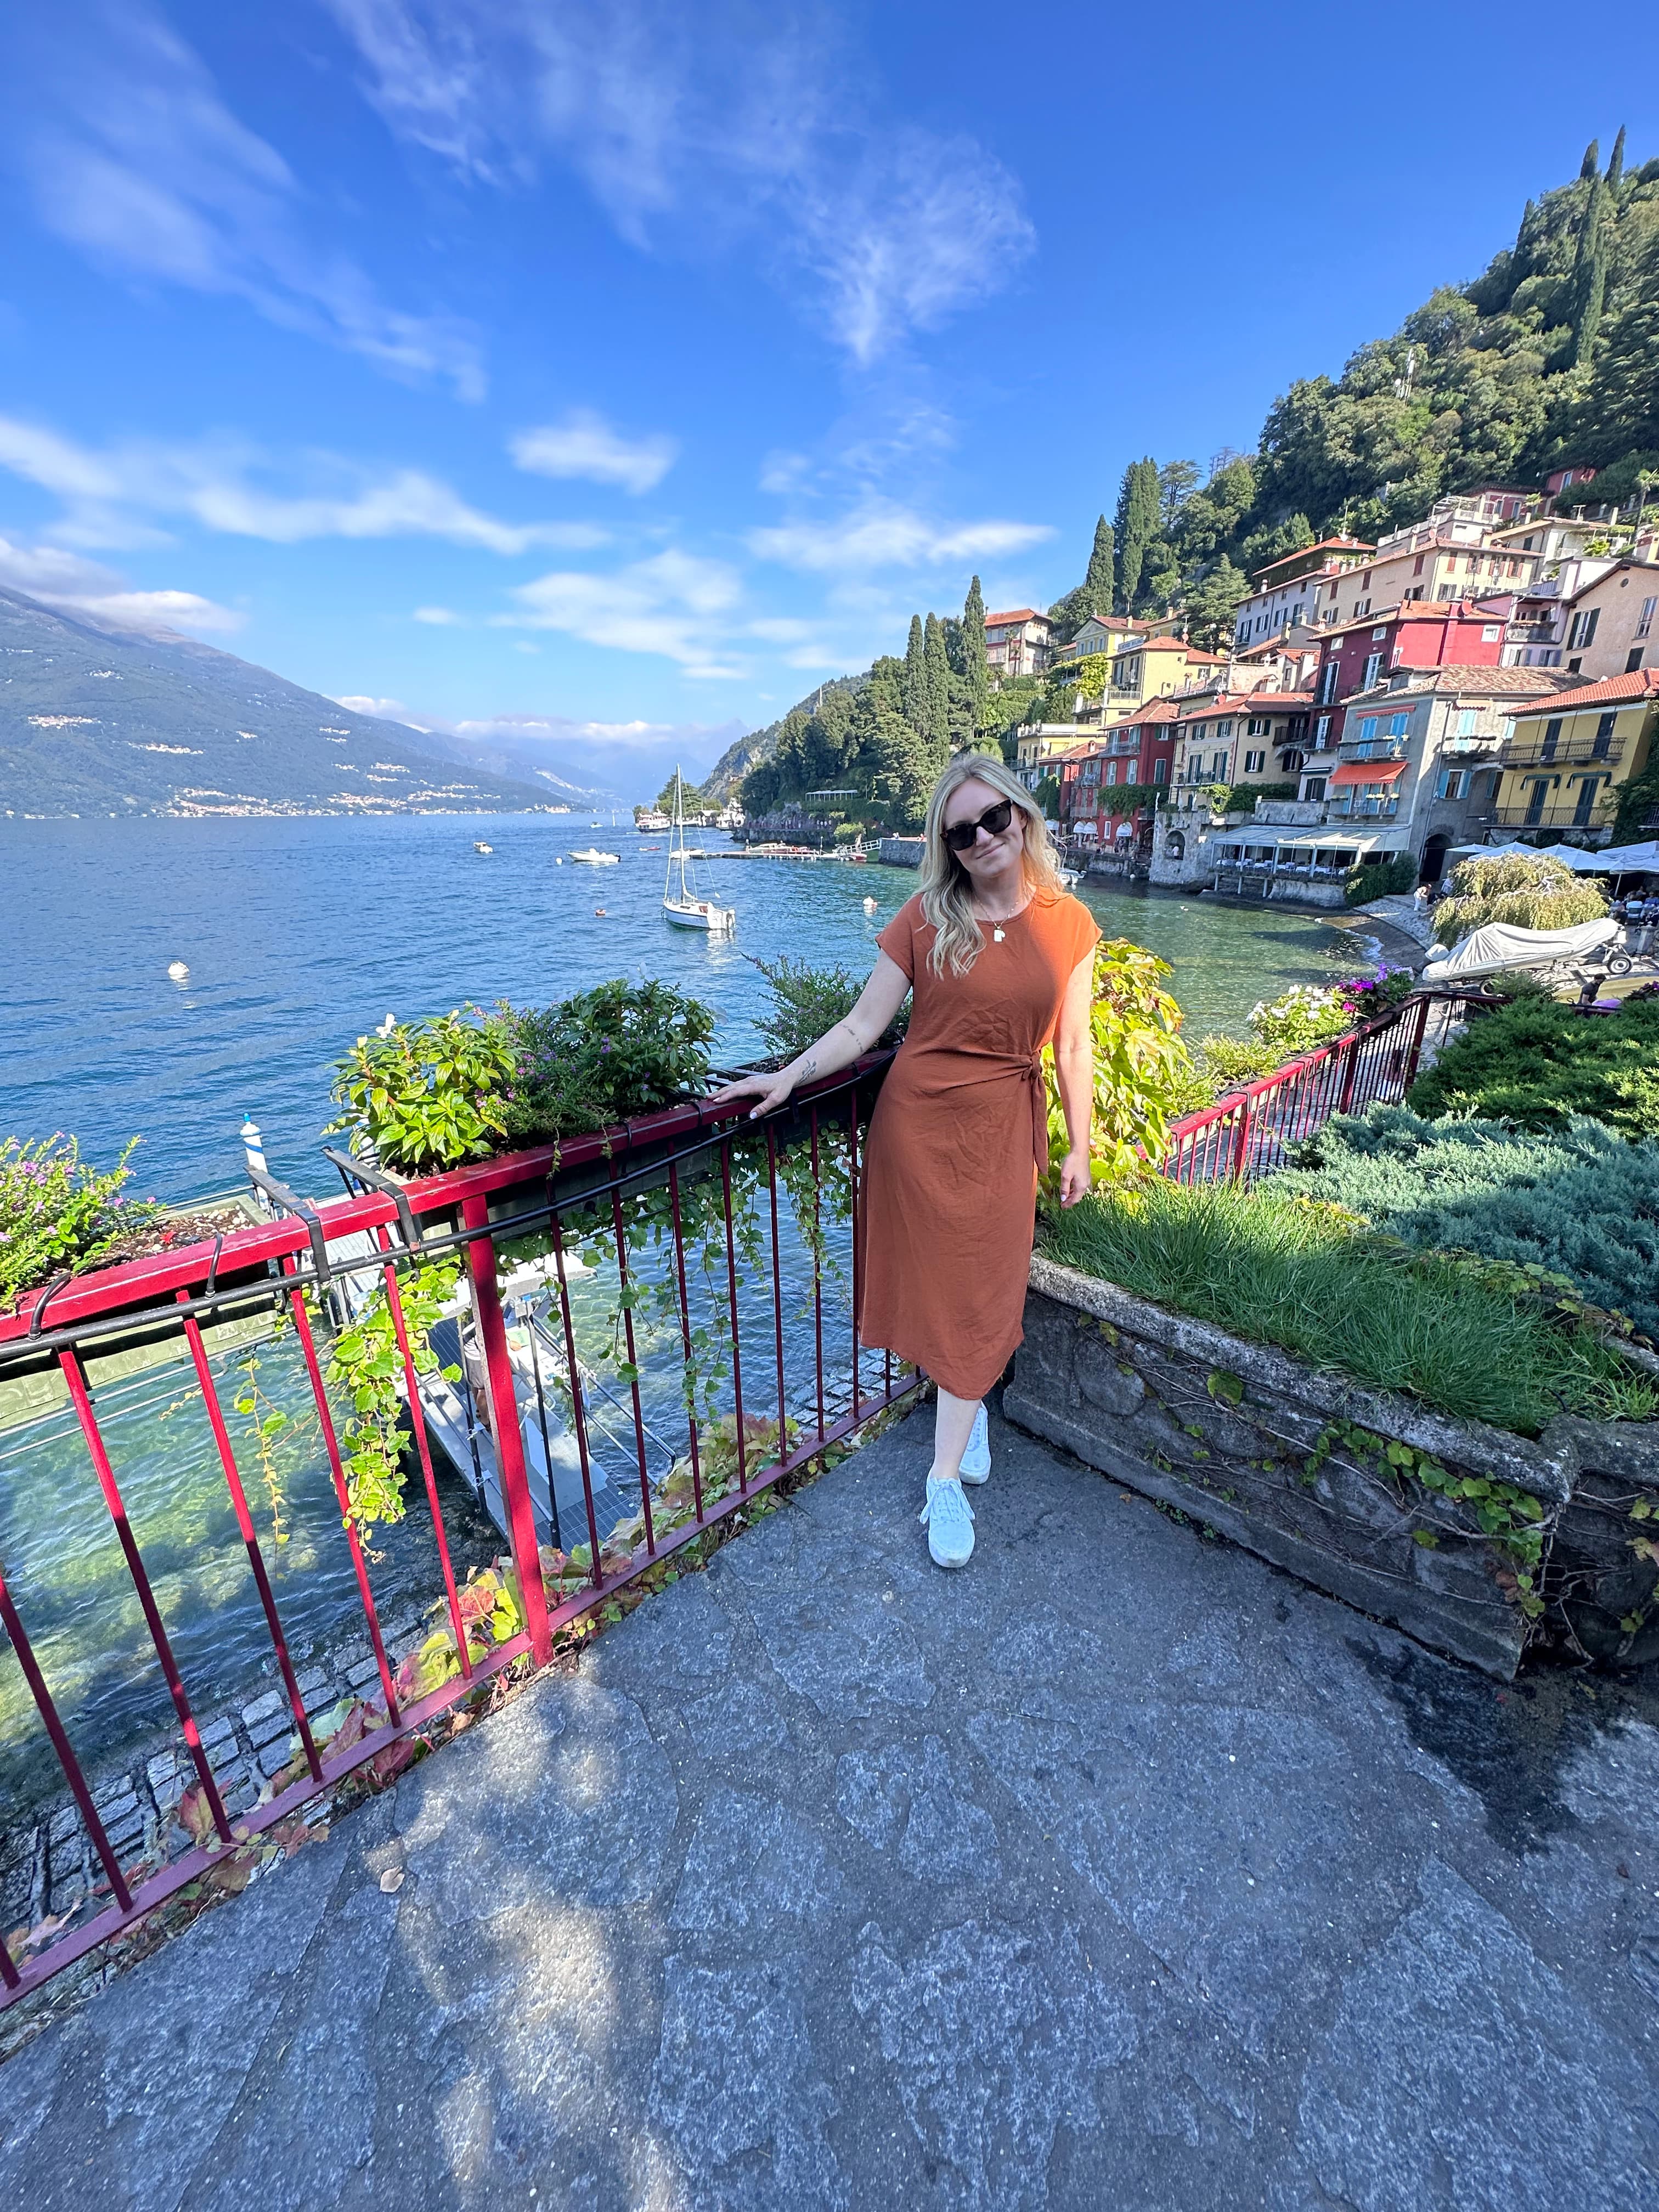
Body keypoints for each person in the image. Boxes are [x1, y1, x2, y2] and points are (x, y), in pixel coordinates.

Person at [712, 754, 1099, 1570]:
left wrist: (1080, 1145)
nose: (984, 838)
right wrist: (788, 1075)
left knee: (985, 1289)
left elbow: (1072, 1045)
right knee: (936, 1289)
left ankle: (950, 1446)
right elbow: (863, 1030)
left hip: (1002, 1136)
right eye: (962, 832)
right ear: (947, 846)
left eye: (995, 818)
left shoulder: (1070, 923)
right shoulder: (926, 917)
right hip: (917, 1132)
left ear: (1022, 815)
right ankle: (951, 1460)